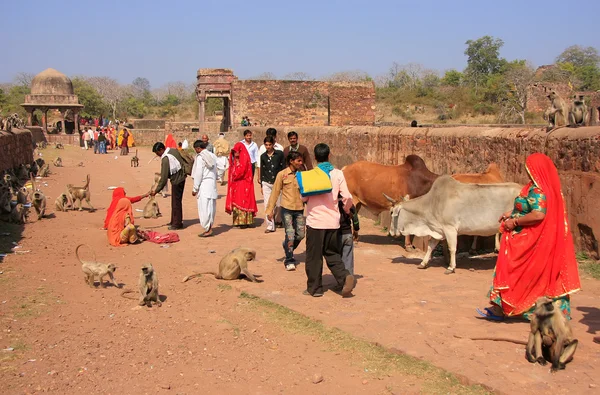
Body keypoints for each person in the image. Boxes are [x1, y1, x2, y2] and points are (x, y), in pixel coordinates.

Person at [478, 153, 581, 321]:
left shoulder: (538, 190)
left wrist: (516, 221)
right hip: (528, 237)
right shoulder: (533, 188)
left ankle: (506, 308)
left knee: (518, 272)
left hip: (530, 241)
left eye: (529, 168)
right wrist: (511, 212)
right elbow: (529, 207)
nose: (527, 171)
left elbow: (539, 214)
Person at [303, 143, 355, 297]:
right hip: (333, 222)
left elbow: (303, 197)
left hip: (315, 221)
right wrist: (346, 210)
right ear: (329, 155)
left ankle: (315, 288)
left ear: (315, 157)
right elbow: (347, 197)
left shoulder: (311, 174)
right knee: (332, 253)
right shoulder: (338, 174)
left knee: (314, 257)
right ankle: (344, 277)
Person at [266, 151, 306, 271]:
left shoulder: (302, 175)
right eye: (298, 161)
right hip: (286, 208)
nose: (301, 163)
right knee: (290, 233)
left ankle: (287, 246)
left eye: (301, 160)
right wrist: (270, 210)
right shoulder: (282, 174)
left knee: (300, 234)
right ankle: (289, 259)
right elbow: (275, 192)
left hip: (299, 208)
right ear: (291, 161)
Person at [151, 142, 187, 230]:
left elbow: (163, 178)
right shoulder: (173, 150)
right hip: (181, 177)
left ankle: (177, 223)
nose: (157, 155)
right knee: (176, 201)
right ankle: (175, 220)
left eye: (157, 153)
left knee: (176, 203)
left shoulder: (165, 159)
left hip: (177, 180)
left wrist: (156, 190)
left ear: (161, 150)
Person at [225, 142, 257, 228]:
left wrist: (235, 172)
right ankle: (239, 221)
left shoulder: (244, 159)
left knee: (244, 201)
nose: (235, 153)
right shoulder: (235, 160)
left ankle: (245, 221)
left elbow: (240, 172)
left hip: (244, 183)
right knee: (237, 201)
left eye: (236, 151)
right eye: (234, 152)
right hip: (237, 184)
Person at [191, 140, 218, 237]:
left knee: (204, 207)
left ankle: (207, 228)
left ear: (198, 148)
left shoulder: (200, 157)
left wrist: (195, 188)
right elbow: (218, 168)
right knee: (210, 207)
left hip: (204, 184)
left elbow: (198, 174)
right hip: (212, 184)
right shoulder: (212, 156)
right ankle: (209, 227)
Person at [259, 135, 285, 233]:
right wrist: (261, 184)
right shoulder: (263, 156)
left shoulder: (280, 154)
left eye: (270, 145)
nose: (268, 147)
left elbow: (283, 167)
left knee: (278, 205)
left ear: (273, 145)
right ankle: (270, 225)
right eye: (266, 145)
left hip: (277, 182)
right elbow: (262, 170)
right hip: (266, 182)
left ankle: (278, 220)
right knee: (267, 204)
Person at [339, 196, 360, 275]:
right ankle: (349, 278)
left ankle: (341, 279)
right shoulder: (349, 204)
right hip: (348, 234)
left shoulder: (333, 204)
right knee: (348, 258)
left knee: (337, 258)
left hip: (336, 235)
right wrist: (356, 229)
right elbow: (355, 218)